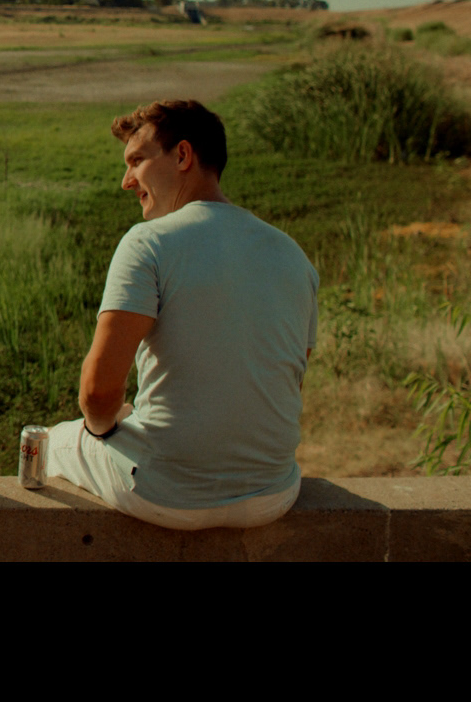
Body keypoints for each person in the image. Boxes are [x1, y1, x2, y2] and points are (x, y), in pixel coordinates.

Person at [46, 99, 317, 530]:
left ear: (183, 155)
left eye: (136, 161)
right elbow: (287, 383)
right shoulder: (294, 256)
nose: (126, 181)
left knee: (47, 443)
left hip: (165, 494)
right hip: (273, 493)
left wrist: (104, 430)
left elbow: (98, 392)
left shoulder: (148, 243)